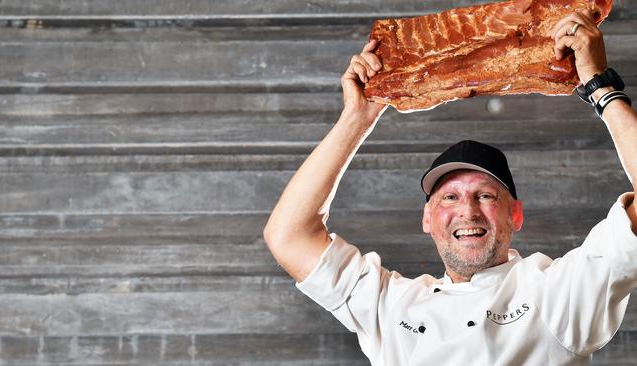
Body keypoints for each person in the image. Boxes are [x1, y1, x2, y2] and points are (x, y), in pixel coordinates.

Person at [263, 9, 637, 365]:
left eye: (486, 195)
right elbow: (288, 236)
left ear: (515, 214)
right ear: (428, 218)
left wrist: (601, 88)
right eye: (450, 197)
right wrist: (355, 120)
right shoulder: (391, 305)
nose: (468, 210)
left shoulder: (559, 291)